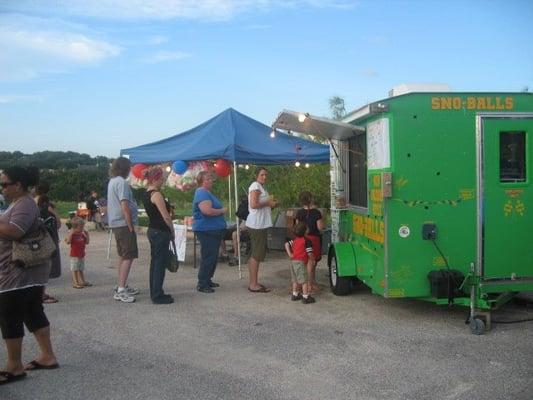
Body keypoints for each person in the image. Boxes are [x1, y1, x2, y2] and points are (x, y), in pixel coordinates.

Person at [0, 166, 59, 386]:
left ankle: (14, 366)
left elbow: (16, 231)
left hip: (18, 271)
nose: (2, 188)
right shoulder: (21, 203)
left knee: (9, 314)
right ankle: (47, 356)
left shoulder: (24, 204)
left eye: (5, 184)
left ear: (19, 185)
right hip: (29, 270)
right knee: (32, 311)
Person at [107, 157, 139, 303]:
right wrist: (130, 225)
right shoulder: (122, 183)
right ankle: (121, 290)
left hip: (115, 223)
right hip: (123, 224)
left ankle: (121, 284)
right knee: (128, 255)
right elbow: (124, 205)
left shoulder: (112, 181)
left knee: (122, 254)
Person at [142, 166, 175, 304]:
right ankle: (157, 294)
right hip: (160, 231)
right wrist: (172, 230)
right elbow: (166, 216)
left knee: (155, 262)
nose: (163, 181)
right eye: (161, 179)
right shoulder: (156, 194)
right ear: (155, 179)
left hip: (152, 230)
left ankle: (155, 291)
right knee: (159, 263)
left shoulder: (146, 194)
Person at [192, 171, 227, 293]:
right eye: (208, 178)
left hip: (213, 229)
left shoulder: (207, 193)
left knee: (212, 256)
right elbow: (207, 211)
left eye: (211, 178)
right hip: (207, 229)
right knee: (208, 256)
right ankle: (202, 282)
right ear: (203, 181)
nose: (211, 180)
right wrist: (222, 211)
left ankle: (207, 279)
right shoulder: (201, 192)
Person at [246, 167, 277, 293]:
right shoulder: (255, 186)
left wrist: (271, 205)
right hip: (257, 225)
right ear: (256, 175)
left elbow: (260, 204)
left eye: (266, 175)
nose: (265, 177)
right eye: (262, 174)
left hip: (260, 224)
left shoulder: (261, 187)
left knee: (255, 253)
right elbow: (253, 204)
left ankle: (253, 281)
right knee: (257, 254)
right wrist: (268, 203)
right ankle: (253, 284)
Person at [34, 182, 61, 304]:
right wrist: (54, 213)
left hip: (36, 240)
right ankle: (42, 294)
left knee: (37, 267)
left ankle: (38, 294)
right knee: (45, 267)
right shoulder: (47, 205)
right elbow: (58, 224)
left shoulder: (30, 202)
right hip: (48, 239)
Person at [295, 191, 325, 293]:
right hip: (314, 239)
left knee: (303, 262)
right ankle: (310, 284)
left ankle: (302, 283)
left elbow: (298, 227)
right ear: (311, 199)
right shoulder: (317, 212)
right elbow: (320, 227)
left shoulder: (299, 213)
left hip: (302, 239)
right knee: (312, 262)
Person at [284, 222, 315, 304]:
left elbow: (286, 244)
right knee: (304, 280)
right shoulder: (307, 241)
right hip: (300, 262)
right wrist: (312, 259)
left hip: (293, 261)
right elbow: (309, 253)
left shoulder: (295, 239)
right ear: (305, 231)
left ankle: (295, 294)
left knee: (295, 279)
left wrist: (290, 254)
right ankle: (305, 296)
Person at [64, 216, 91, 289]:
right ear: (75, 227)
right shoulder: (72, 234)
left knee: (81, 269)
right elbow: (68, 242)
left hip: (81, 254)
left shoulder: (82, 234)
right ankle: (75, 283)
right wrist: (71, 233)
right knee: (75, 269)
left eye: (83, 226)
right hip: (74, 255)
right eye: (81, 227)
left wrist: (87, 235)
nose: (82, 228)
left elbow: (87, 242)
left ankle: (83, 281)